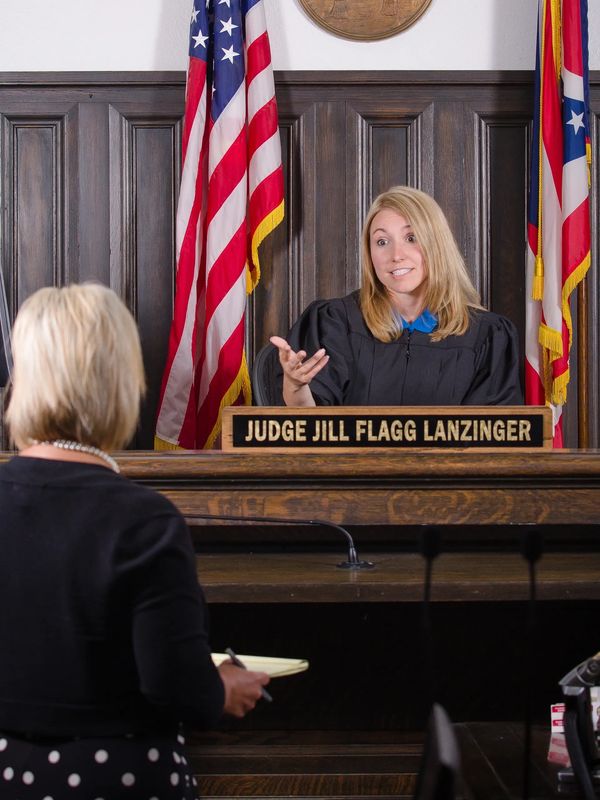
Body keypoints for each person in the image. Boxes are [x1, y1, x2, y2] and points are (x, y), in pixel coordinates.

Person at [0, 284, 269, 799]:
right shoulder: (144, 521)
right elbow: (176, 688)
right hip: (117, 777)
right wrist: (222, 689)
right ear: (123, 383)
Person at [270, 186, 522, 407]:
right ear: (369, 254)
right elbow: (309, 427)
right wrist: (296, 386)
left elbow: (492, 437)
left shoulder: (487, 335)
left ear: (437, 245)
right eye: (381, 242)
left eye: (411, 238)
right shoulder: (334, 323)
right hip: (352, 463)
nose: (396, 255)